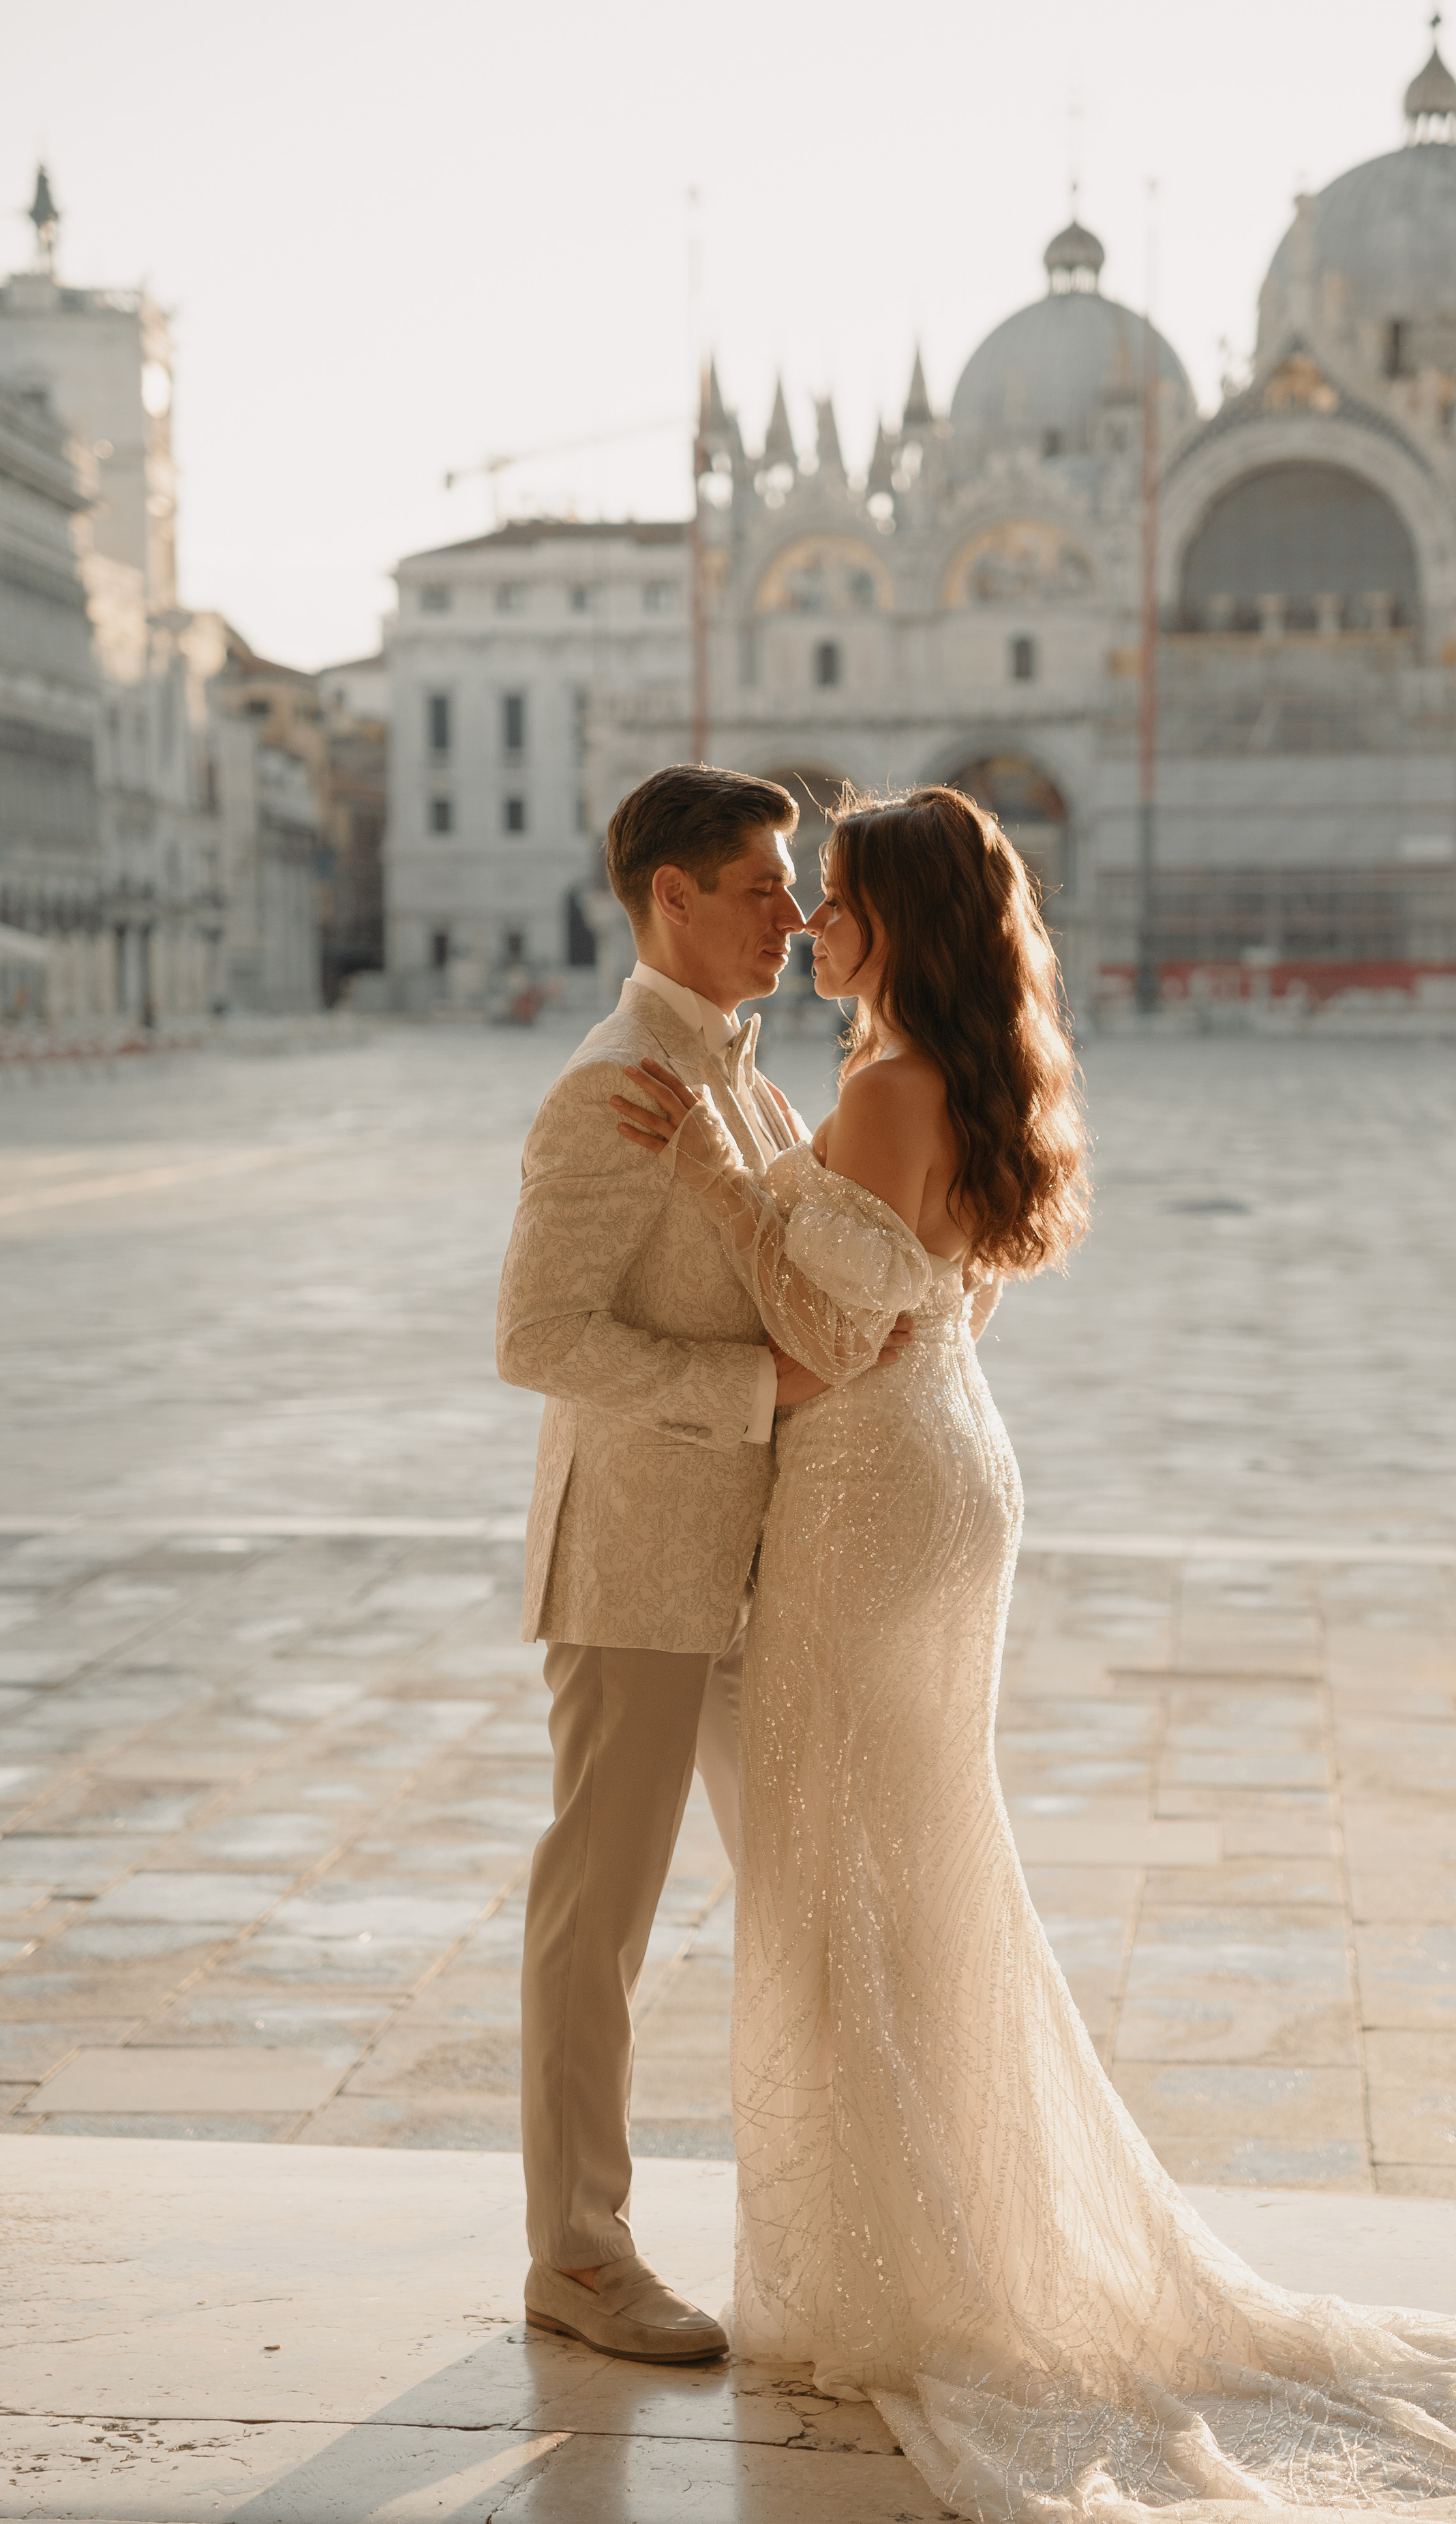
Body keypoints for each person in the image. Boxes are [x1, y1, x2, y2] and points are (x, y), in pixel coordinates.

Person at [613, 785, 1456, 2522]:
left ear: (896, 926)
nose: (811, 928)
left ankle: (901, 2266)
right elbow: (923, 1290)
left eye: (834, 902)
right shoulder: (968, 1079)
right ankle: (925, 2233)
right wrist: (777, 1183)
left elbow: (833, 1325)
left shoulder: (888, 1083)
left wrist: (713, 1162)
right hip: (947, 1479)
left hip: (868, 1499)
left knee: (848, 1876)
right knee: (911, 1866)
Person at [496, 763, 909, 2367]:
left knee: (808, 1888)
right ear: (672, 896)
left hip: (761, 1565)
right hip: (637, 1567)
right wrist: (754, 1396)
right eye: (761, 889)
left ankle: (840, 2226)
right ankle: (577, 2255)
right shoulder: (612, 1083)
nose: (795, 918)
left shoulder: (749, 1074)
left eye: (798, 890)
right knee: (595, 1913)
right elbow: (536, 1334)